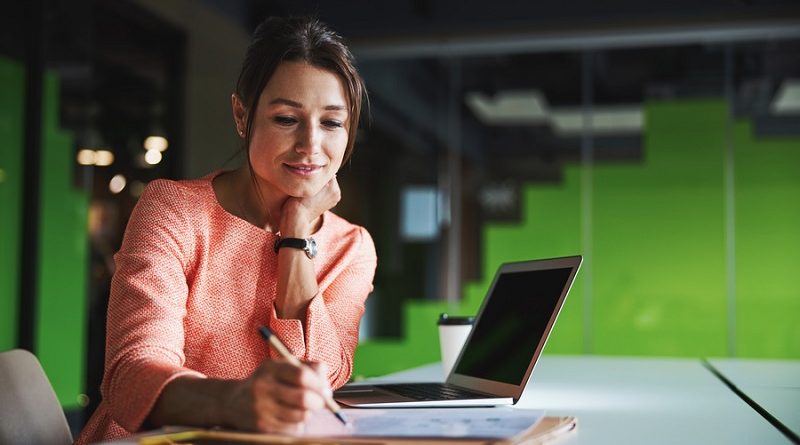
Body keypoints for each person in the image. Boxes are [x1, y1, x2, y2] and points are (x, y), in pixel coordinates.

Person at [76, 16, 376, 443]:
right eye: (287, 118)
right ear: (242, 114)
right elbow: (130, 374)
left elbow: (321, 379)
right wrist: (232, 402)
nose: (311, 145)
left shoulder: (352, 247)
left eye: (331, 123)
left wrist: (294, 238)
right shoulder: (174, 209)